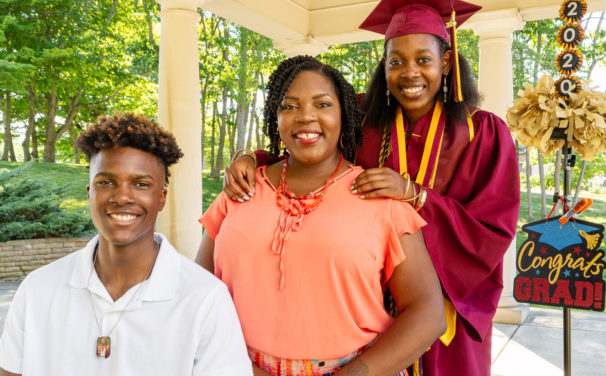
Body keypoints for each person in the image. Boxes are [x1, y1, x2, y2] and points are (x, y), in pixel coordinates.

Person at [222, 0, 520, 375]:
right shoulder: (360, 117)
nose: (409, 73)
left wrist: (415, 195)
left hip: (444, 303)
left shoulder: (481, 132)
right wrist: (250, 157)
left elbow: (492, 229)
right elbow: (306, 143)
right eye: (396, 62)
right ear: (384, 65)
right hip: (364, 299)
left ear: (445, 63)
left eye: (423, 60)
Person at [196, 56, 446, 376]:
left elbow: (428, 314)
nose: (306, 116)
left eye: (323, 104)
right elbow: (198, 294)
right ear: (276, 117)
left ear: (344, 116)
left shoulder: (382, 202)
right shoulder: (237, 193)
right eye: (289, 106)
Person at [0, 113, 252, 375]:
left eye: (141, 184)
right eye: (106, 182)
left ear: (161, 198)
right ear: (90, 193)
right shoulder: (38, 289)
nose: (122, 196)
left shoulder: (205, 298)